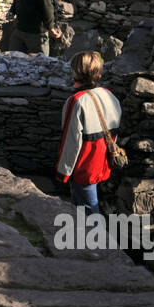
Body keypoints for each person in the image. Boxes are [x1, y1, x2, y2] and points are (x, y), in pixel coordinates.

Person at [55, 51, 121, 216]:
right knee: (87, 209)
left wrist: (63, 172)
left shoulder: (77, 101)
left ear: (76, 72)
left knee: (90, 211)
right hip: (104, 162)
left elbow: (71, 142)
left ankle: (96, 241)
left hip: (85, 167)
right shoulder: (109, 95)